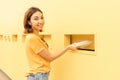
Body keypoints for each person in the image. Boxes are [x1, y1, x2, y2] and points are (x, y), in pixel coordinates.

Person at [23, 7, 92, 80]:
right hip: (39, 76)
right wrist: (68, 47)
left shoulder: (34, 37)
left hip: (38, 75)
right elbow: (50, 57)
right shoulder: (32, 38)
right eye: (36, 19)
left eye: (42, 18)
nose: (40, 21)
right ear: (29, 22)